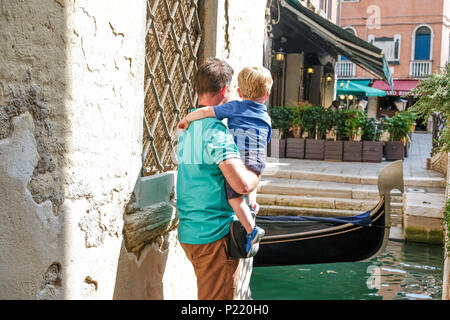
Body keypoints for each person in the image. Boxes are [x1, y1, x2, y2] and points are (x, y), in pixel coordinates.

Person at [176, 58, 261, 300]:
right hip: (213, 236)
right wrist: (255, 174)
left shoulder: (187, 127)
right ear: (224, 90)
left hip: (190, 232)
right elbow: (241, 184)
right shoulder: (215, 132)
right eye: (232, 88)